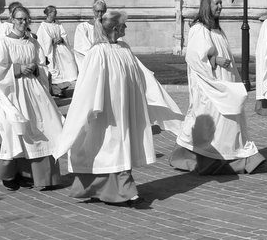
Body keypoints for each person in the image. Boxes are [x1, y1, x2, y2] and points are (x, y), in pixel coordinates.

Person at [52, 10, 183, 205]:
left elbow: (141, 76)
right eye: (124, 24)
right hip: (107, 113)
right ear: (115, 28)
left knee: (120, 148)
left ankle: (112, 189)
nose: (127, 28)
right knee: (109, 149)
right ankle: (122, 191)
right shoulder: (97, 52)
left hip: (124, 109)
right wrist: (90, 109)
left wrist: (156, 98)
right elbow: (87, 85)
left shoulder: (124, 48)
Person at [170, 0, 265, 175]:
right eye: (217, 4)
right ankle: (212, 158)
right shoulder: (199, 29)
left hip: (225, 83)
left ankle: (238, 156)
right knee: (215, 122)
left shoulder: (217, 29)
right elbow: (195, 57)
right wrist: (216, 60)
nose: (221, 7)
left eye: (221, 3)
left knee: (230, 120)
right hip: (210, 88)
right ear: (208, 5)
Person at [0, 6, 65, 190]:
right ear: (12, 20)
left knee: (43, 127)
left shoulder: (33, 43)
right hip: (14, 93)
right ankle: (11, 175)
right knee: (17, 131)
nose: (22, 23)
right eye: (19, 19)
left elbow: (42, 64)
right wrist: (17, 69)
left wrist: (36, 68)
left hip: (34, 91)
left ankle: (38, 176)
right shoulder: (4, 42)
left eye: (25, 19)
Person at [36, 5, 79, 97]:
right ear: (48, 13)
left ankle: (63, 88)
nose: (55, 14)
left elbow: (64, 34)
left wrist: (62, 39)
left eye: (55, 12)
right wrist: (51, 41)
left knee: (68, 65)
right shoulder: (43, 26)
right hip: (51, 50)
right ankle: (55, 90)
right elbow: (42, 39)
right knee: (54, 69)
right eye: (53, 12)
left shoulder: (58, 24)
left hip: (61, 49)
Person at [73, 0, 107, 68]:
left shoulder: (110, 27)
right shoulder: (83, 27)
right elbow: (81, 47)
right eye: (98, 11)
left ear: (106, 11)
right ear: (93, 11)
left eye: (102, 11)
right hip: (91, 63)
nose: (100, 14)